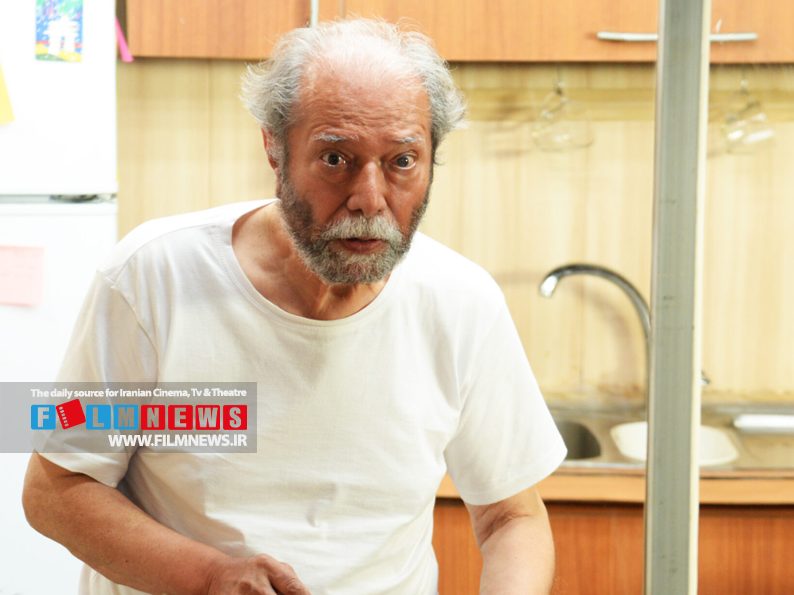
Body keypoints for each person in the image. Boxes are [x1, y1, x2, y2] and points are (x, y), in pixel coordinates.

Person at [23, 19, 566, 595]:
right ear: (274, 149)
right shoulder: (153, 278)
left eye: (402, 161)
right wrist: (209, 577)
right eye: (335, 158)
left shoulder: (461, 303)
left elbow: (511, 517)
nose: (370, 198)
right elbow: (55, 490)